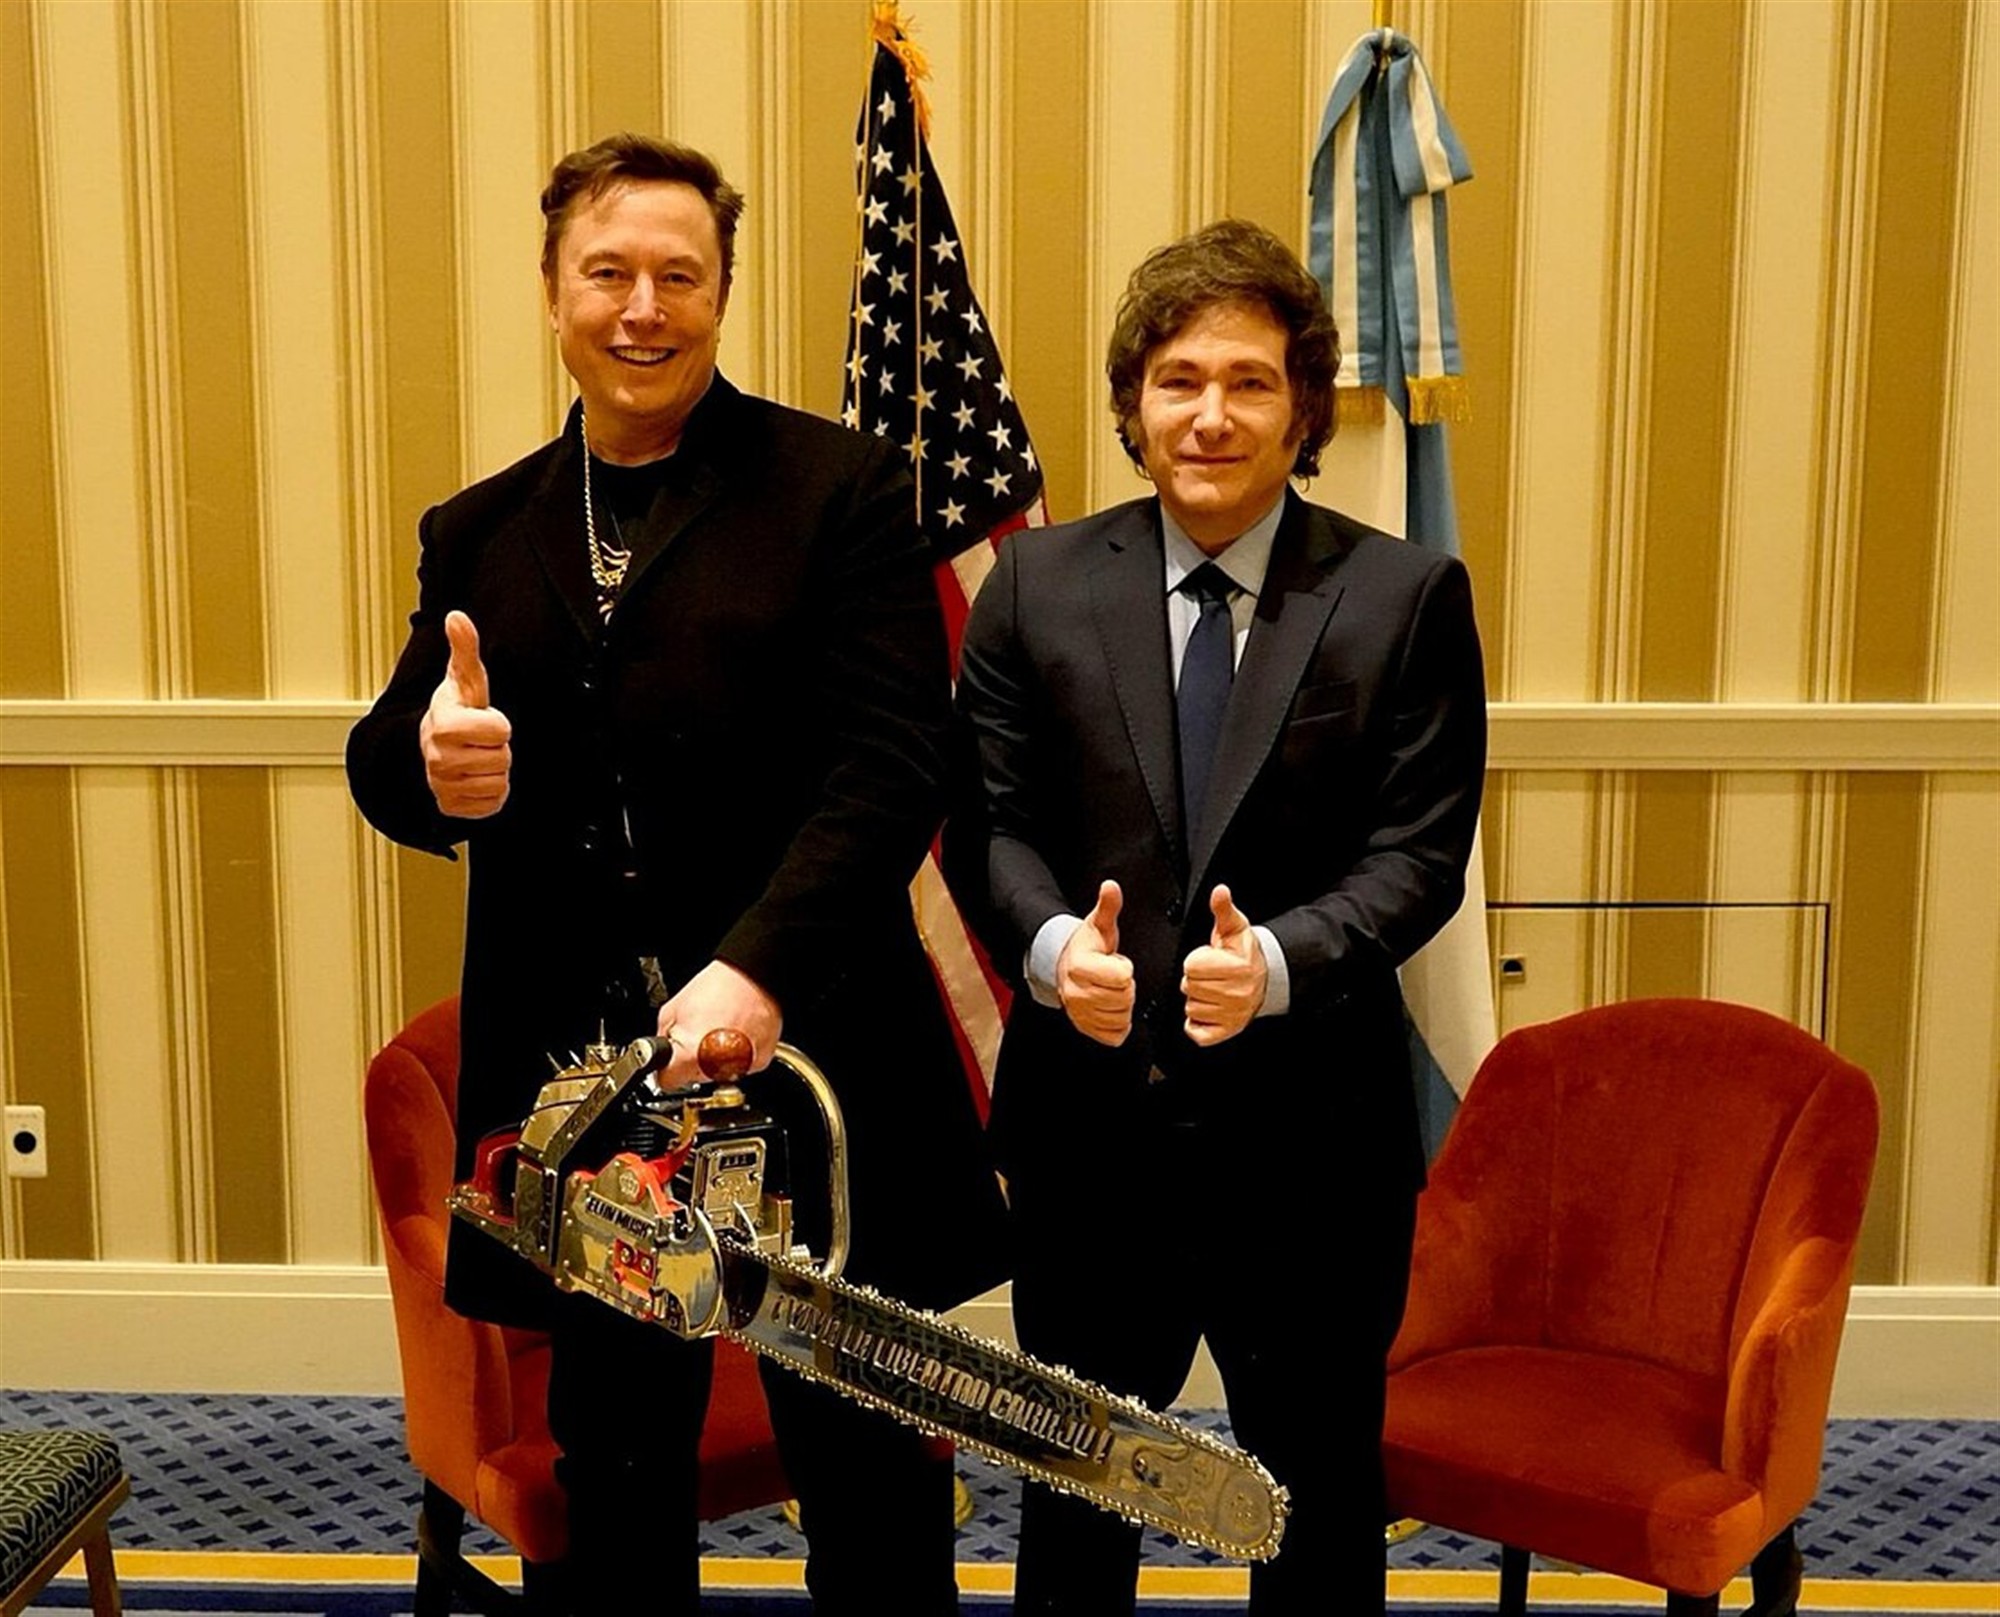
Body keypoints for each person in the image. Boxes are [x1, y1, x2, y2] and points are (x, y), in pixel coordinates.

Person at [347, 133, 1006, 1615]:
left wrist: (757, 966)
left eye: (678, 276)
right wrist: (432, 764)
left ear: (720, 292)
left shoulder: (841, 488)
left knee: (867, 1473)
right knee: (620, 1469)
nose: (642, 308)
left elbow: (896, 766)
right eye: (609, 274)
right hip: (587, 1100)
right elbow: (391, 751)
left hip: (817, 1065)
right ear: (553, 292)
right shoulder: (479, 528)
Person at [943, 219, 1486, 1614]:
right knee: (1079, 1501)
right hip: (1090, 1133)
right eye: (1179, 379)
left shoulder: (1404, 595)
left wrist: (1284, 964)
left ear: (1302, 411)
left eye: (1250, 382)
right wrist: (1053, 951)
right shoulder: (1037, 585)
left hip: (1313, 1144)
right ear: (1133, 404)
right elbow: (987, 824)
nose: (1211, 414)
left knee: (1314, 1503)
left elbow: (1420, 854)